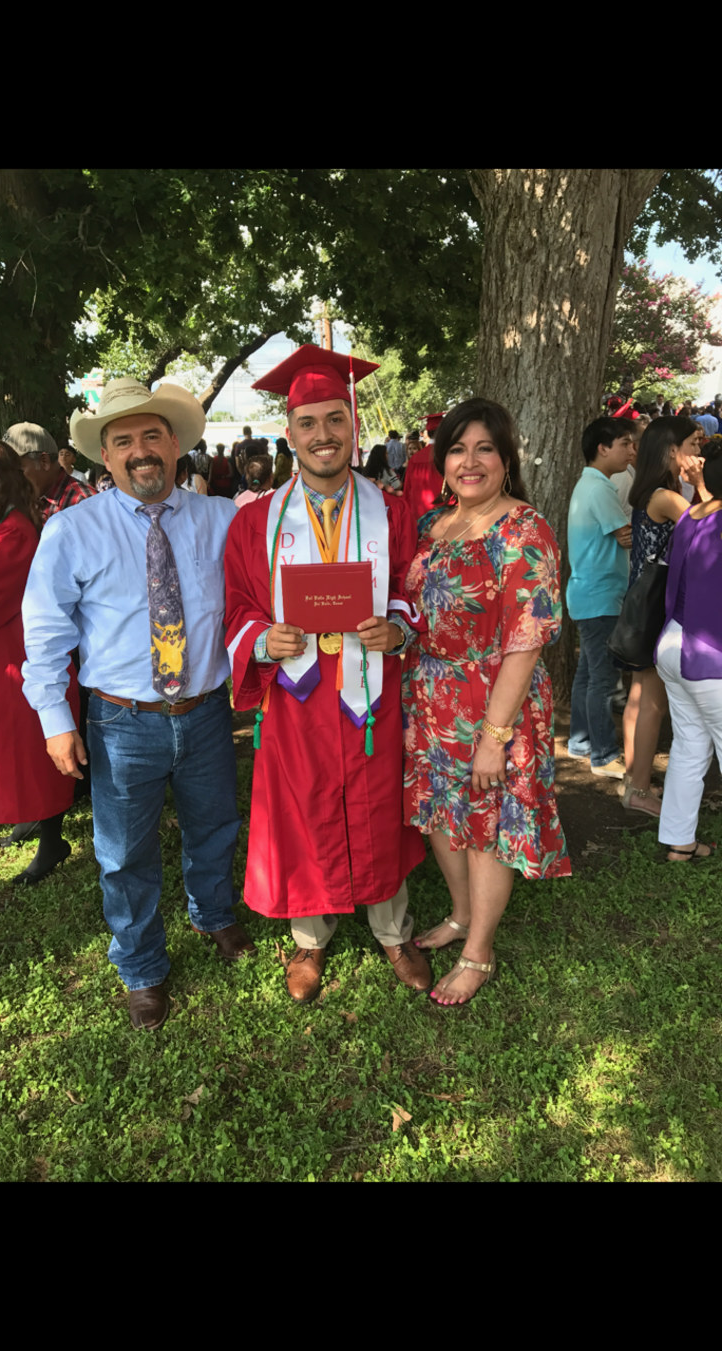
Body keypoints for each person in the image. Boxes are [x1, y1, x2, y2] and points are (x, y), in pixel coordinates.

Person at [21, 378, 253, 1033]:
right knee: (124, 854)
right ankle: (143, 966)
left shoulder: (223, 519)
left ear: (177, 444)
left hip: (207, 712)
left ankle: (212, 913)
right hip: (121, 721)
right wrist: (55, 720)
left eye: (153, 435)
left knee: (214, 826)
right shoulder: (70, 531)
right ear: (105, 454)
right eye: (123, 440)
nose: (140, 450)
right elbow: (44, 633)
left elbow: (262, 590)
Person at [225, 344, 429, 1005]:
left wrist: (396, 626)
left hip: (370, 693)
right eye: (308, 422)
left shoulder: (394, 513)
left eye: (335, 420)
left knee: (377, 807)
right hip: (298, 696)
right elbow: (236, 608)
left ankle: (392, 929)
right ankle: (310, 938)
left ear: (354, 427)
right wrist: (263, 640)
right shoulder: (255, 522)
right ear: (290, 433)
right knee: (303, 808)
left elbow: (409, 590)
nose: (323, 435)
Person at [402, 398, 570, 1007]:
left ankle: (480, 951)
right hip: (432, 697)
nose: (469, 461)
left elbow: (526, 641)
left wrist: (495, 736)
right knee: (442, 817)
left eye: (484, 450)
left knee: (483, 824)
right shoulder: (433, 526)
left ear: (505, 461)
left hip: (495, 699)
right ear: (442, 460)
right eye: (457, 448)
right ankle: (460, 914)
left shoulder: (523, 529)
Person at [0, 441, 78, 883]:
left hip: (22, 660)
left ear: (0, 479)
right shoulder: (6, 526)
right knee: (12, 748)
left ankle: (53, 841)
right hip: (2, 655)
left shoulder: (14, 533)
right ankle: (31, 819)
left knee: (30, 750)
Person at [620, 418, 706, 816]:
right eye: (693, 442)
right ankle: (639, 789)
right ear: (672, 451)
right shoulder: (665, 496)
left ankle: (633, 779)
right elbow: (707, 528)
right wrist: (703, 484)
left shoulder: (655, 491)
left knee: (640, 694)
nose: (699, 450)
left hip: (642, 602)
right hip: (656, 608)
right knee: (653, 701)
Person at [655, 442, 722, 861]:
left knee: (689, 745)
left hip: (672, 644)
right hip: (707, 653)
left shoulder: (691, 517)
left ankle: (679, 841)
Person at [566, 417, 634, 778]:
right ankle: (604, 755)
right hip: (600, 596)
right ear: (602, 448)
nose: (631, 451)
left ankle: (580, 743)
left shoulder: (591, 484)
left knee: (588, 675)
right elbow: (625, 535)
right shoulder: (598, 488)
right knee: (603, 681)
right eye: (625, 444)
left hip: (590, 594)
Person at [3, 422, 96, 521]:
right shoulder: (28, 500)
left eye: (18, 470)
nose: (12, 479)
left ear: (44, 461)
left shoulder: (83, 505)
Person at [402, 412, 444, 521]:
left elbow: (407, 490)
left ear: (428, 433)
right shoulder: (448, 455)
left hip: (420, 514)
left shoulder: (415, 459)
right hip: (445, 511)